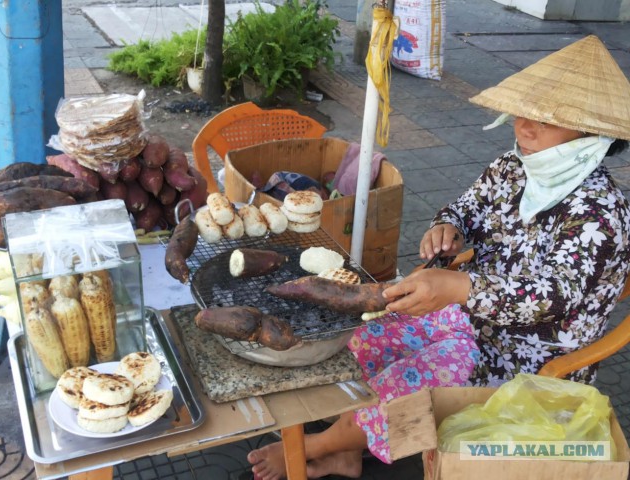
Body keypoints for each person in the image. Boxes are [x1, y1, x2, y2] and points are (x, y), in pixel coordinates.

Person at [247, 34, 630, 479]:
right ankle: (350, 449)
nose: (524, 126)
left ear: (593, 136)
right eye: (524, 113)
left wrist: (458, 287)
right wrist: (444, 226)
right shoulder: (513, 167)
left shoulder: (601, 215)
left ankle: (318, 446)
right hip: (464, 317)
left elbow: (552, 297)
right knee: (362, 337)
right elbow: (464, 209)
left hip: (523, 357)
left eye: (547, 121)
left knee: (401, 386)